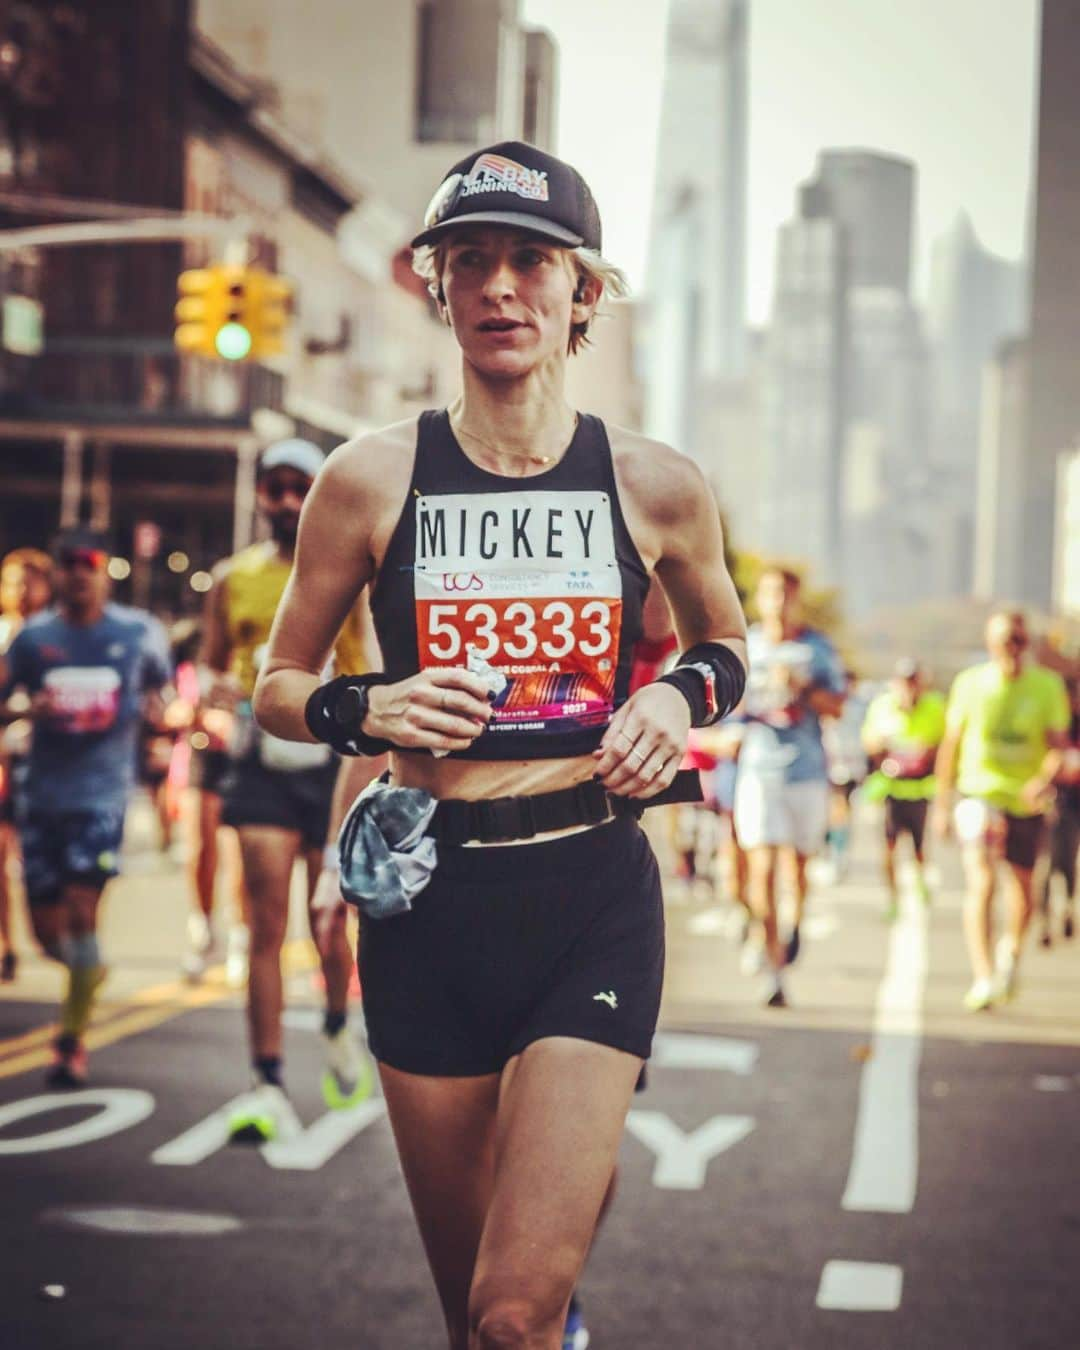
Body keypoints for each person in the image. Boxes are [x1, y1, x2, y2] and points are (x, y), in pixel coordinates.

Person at [252, 141, 748, 1350]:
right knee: (476, 1310)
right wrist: (361, 709)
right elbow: (277, 683)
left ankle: (550, 1295)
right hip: (427, 905)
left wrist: (676, 699)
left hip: (588, 887)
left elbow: (728, 649)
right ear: (436, 286)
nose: (499, 286)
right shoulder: (368, 479)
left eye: (532, 260)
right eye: (469, 259)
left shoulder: (655, 483)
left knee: (513, 1314)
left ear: (584, 291)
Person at [200, 438, 375, 1141]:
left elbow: (374, 669)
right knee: (265, 922)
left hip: (331, 760)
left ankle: (337, 1023)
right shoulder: (231, 579)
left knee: (326, 919)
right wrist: (222, 701)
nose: (283, 500)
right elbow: (212, 668)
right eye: (272, 487)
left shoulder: (352, 579)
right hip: (262, 762)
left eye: (297, 486)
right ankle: (265, 1080)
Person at [0, 527, 171, 1084]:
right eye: (68, 562)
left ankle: (70, 1043)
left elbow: (164, 699)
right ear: (57, 572)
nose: (79, 572)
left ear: (105, 570)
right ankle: (87, 970)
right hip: (40, 799)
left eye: (89, 562)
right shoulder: (32, 639)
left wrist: (167, 721)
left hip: (101, 798)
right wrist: (29, 708)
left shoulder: (137, 634)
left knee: (82, 912)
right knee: (49, 935)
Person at [933, 611, 1069, 1011]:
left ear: (1027, 645)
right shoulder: (970, 684)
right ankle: (983, 975)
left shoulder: (1046, 687)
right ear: (990, 644)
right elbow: (950, 746)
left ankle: (1010, 955)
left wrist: (1042, 780)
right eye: (1003, 641)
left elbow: (1058, 746)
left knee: (1022, 890)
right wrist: (943, 804)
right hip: (979, 795)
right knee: (981, 881)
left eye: (1018, 641)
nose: (1011, 648)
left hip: (1025, 800)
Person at [733, 567, 845, 1006]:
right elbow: (729, 706)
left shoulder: (816, 649)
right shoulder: (749, 645)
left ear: (797, 600)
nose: (779, 602)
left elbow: (836, 705)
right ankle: (773, 965)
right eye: (771, 593)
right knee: (761, 868)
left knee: (797, 871)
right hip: (758, 770)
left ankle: (793, 926)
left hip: (807, 772)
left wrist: (803, 688)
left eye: (787, 594)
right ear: (761, 599)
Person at [167, 621, 249, 985]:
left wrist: (231, 719)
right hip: (200, 759)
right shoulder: (190, 671)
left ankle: (238, 938)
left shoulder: (246, 667)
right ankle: (202, 928)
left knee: (237, 855)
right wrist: (192, 715)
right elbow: (171, 711)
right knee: (200, 849)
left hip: (239, 761)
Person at [0, 547, 54, 982]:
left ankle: (49, 934)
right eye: (12, 581)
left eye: (29, 581)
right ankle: (6, 942)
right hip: (4, 756)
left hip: (44, 761)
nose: (20, 590)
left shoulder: (55, 635)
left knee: (36, 859)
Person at [861, 659, 945, 920]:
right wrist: (884, 745)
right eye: (905, 682)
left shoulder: (934, 707)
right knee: (889, 847)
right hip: (891, 789)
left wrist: (925, 752)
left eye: (914, 682)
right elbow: (869, 742)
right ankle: (893, 898)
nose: (909, 688)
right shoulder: (883, 706)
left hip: (919, 788)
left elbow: (943, 745)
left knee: (919, 846)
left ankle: (920, 882)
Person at [1037, 674, 1080, 946]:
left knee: (1067, 861)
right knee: (1045, 865)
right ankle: (1044, 920)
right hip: (1047, 802)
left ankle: (1066, 907)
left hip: (1074, 803)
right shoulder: (1045, 725)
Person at [822, 668, 868, 880]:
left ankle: (839, 852)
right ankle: (834, 853)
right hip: (832, 765)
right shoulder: (830, 702)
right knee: (836, 811)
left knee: (843, 812)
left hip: (853, 768)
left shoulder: (860, 706)